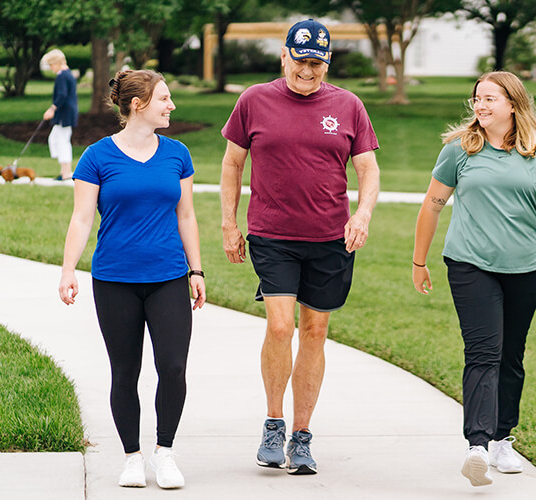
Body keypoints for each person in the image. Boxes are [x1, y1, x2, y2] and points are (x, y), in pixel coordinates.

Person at [409, 71, 536, 487]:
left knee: (511, 353)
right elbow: (433, 206)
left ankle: (501, 438)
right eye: (477, 98)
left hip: (526, 267)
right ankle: (476, 444)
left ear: (513, 104)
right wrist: (419, 261)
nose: (481, 105)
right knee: (483, 350)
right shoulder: (459, 150)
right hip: (469, 263)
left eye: (490, 98)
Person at [219, 18, 381, 476]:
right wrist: (229, 224)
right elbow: (233, 164)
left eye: (317, 63)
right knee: (279, 326)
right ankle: (273, 423)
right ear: (284, 56)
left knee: (315, 331)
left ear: (326, 63)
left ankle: (302, 437)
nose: (307, 71)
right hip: (273, 236)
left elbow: (368, 170)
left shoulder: (348, 106)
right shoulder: (254, 100)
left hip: (331, 238)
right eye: (300, 61)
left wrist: (362, 214)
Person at [59, 69, 204, 489]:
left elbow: (187, 216)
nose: (171, 105)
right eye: (164, 98)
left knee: (173, 367)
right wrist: (68, 270)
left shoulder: (178, 154)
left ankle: (165, 453)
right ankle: (132, 458)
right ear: (138, 106)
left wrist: (196, 270)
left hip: (168, 278)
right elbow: (82, 217)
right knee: (125, 371)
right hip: (115, 280)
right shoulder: (97, 157)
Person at [42, 49, 78, 181]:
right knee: (55, 139)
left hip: (64, 113)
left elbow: (62, 95)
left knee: (62, 141)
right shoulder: (67, 74)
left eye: (51, 65)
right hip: (66, 113)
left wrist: (52, 109)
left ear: (57, 63)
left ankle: (66, 172)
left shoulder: (62, 75)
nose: (51, 68)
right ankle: (64, 170)